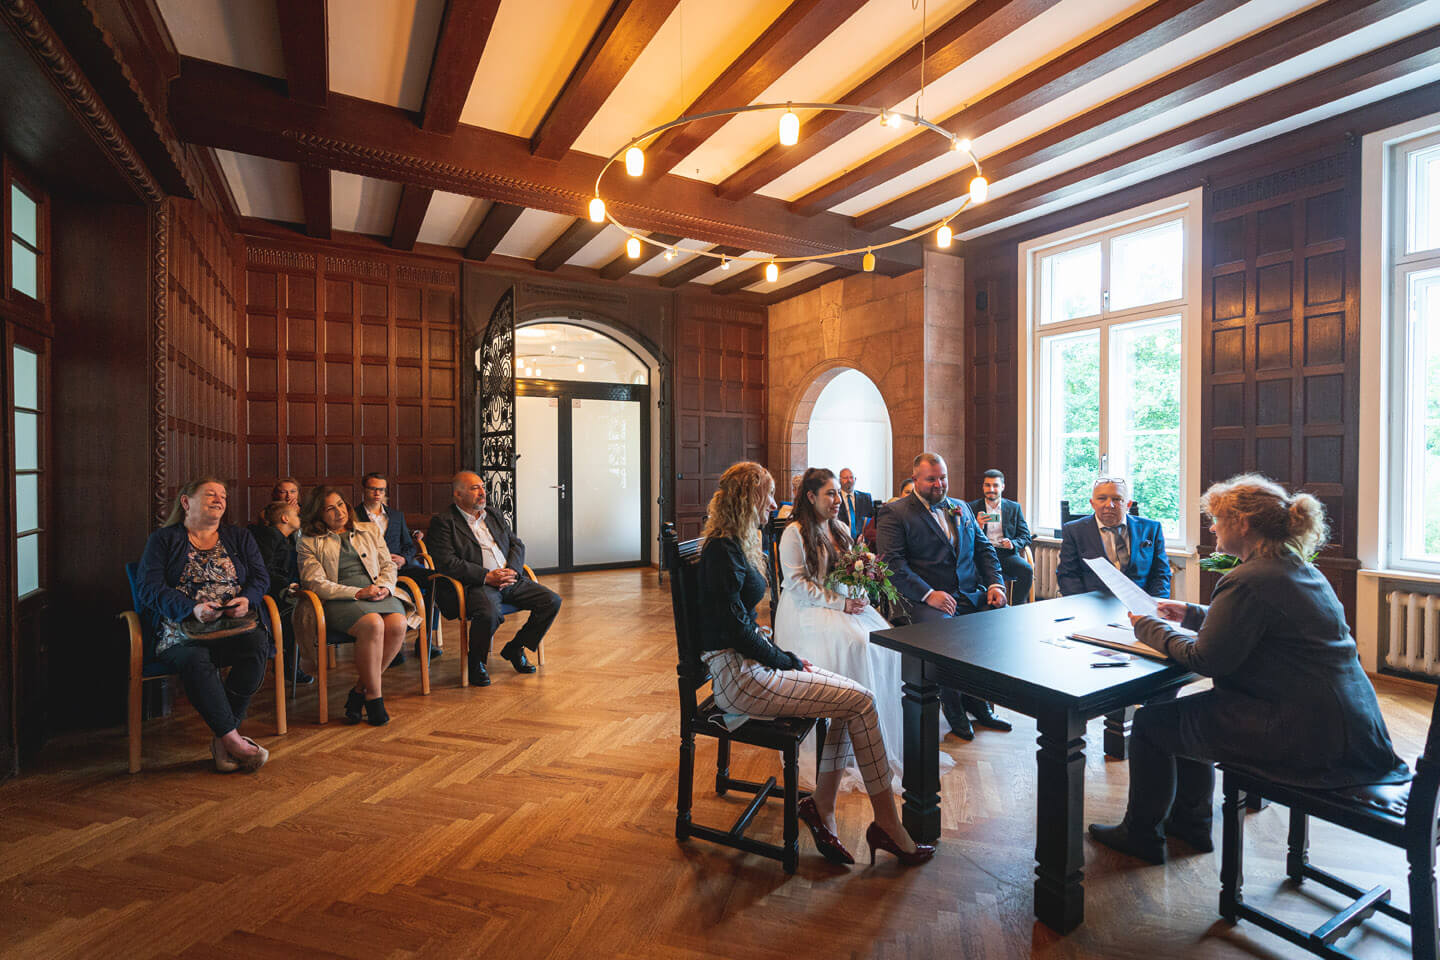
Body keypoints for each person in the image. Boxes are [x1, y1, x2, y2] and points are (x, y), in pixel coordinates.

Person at [1089, 475, 1410, 864]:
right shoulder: (1294, 568)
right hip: (1348, 728)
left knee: (1152, 724)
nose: (1211, 527)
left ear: (1242, 523)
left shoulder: (1248, 579)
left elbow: (1205, 660)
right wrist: (1192, 613)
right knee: (1185, 715)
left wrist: (1147, 626)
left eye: (1217, 519)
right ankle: (1189, 825)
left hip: (1302, 734)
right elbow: (1267, 622)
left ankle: (1142, 835)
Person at [699, 461, 933, 867]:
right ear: (747, 500)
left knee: (855, 697)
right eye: (768, 496)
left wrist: (773, 650)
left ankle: (822, 807)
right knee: (858, 701)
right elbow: (734, 630)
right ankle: (885, 825)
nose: (774, 503)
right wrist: (783, 657)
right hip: (741, 681)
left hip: (754, 665)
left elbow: (739, 624)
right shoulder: (722, 552)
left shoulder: (734, 544)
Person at [774, 468, 904, 781]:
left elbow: (853, 571)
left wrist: (860, 593)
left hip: (846, 602)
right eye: (829, 494)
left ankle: (879, 738)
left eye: (836, 494)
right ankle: (843, 748)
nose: (836, 500)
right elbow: (795, 583)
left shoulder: (842, 527)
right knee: (856, 644)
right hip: (807, 609)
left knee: (886, 640)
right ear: (810, 496)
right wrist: (840, 603)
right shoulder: (795, 532)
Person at [136, 477, 270, 773]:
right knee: (196, 658)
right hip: (182, 634)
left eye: (223, 495)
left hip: (233, 628)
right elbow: (148, 588)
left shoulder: (239, 538)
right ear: (186, 502)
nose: (220, 499)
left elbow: (261, 579)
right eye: (210, 494)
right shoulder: (163, 540)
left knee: (259, 644)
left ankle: (224, 739)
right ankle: (234, 741)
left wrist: (247, 600)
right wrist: (191, 609)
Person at [877, 452, 1008, 741]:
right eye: (931, 479)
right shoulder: (895, 512)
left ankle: (980, 701)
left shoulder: (960, 507)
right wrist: (927, 594)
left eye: (943, 477)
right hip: (920, 599)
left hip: (967, 593)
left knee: (998, 621)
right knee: (946, 631)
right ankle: (953, 706)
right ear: (915, 480)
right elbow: (892, 564)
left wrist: (996, 585)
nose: (939, 484)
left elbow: (984, 550)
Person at [427, 472, 562, 686]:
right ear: (458, 494)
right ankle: (476, 662)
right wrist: (486, 576)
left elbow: (517, 544)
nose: (482, 492)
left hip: (509, 577)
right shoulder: (444, 522)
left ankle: (515, 647)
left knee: (552, 601)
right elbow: (446, 562)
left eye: (482, 487)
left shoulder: (493, 514)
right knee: (489, 613)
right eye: (475, 488)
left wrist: (514, 571)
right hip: (478, 584)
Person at [298, 486, 411, 726]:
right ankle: (374, 697)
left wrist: (385, 588)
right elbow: (315, 582)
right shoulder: (308, 541)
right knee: (372, 624)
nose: (339, 511)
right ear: (318, 514)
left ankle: (359, 690)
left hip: (378, 590)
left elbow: (388, 564)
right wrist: (358, 592)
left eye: (340, 504)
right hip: (341, 598)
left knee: (398, 622)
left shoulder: (369, 530)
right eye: (330, 508)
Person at [358, 472, 437, 662]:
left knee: (436, 579)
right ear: (364, 490)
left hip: (400, 568)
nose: (377, 493)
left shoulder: (396, 516)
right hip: (372, 572)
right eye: (373, 489)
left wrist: (403, 558)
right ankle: (391, 645)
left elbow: (409, 545)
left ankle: (425, 640)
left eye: (381, 489)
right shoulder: (353, 516)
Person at [1057, 477, 1170, 598]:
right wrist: (1084, 608)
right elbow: (1068, 576)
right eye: (1102, 498)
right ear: (1092, 503)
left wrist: (1155, 607)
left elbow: (1161, 575)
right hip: (1093, 605)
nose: (1109, 505)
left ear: (1128, 504)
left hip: (1140, 607)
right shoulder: (1074, 531)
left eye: (1117, 499)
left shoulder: (1151, 529)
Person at [249, 499, 312, 685]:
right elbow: (264, 569)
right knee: (296, 615)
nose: (299, 517)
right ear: (285, 518)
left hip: (281, 591)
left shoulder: (283, 539)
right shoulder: (270, 536)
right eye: (295, 514)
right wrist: (287, 586)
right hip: (271, 597)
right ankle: (289, 667)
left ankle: (290, 666)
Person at [967, 469, 1034, 603]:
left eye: (995, 485)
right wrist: (978, 526)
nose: (991, 489)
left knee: (1026, 570)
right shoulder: (971, 507)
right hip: (982, 555)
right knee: (972, 574)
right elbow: (965, 538)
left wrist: (1013, 543)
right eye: (987, 485)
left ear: (1002, 487)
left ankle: (1016, 607)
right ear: (983, 487)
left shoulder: (1014, 508)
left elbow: (1026, 536)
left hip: (1006, 554)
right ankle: (984, 607)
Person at [836, 468, 874, 541]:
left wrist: (864, 535)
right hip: (841, 540)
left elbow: (871, 521)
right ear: (839, 480)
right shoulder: (835, 499)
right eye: (845, 478)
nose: (849, 480)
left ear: (855, 479)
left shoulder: (866, 498)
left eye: (851, 477)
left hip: (863, 542)